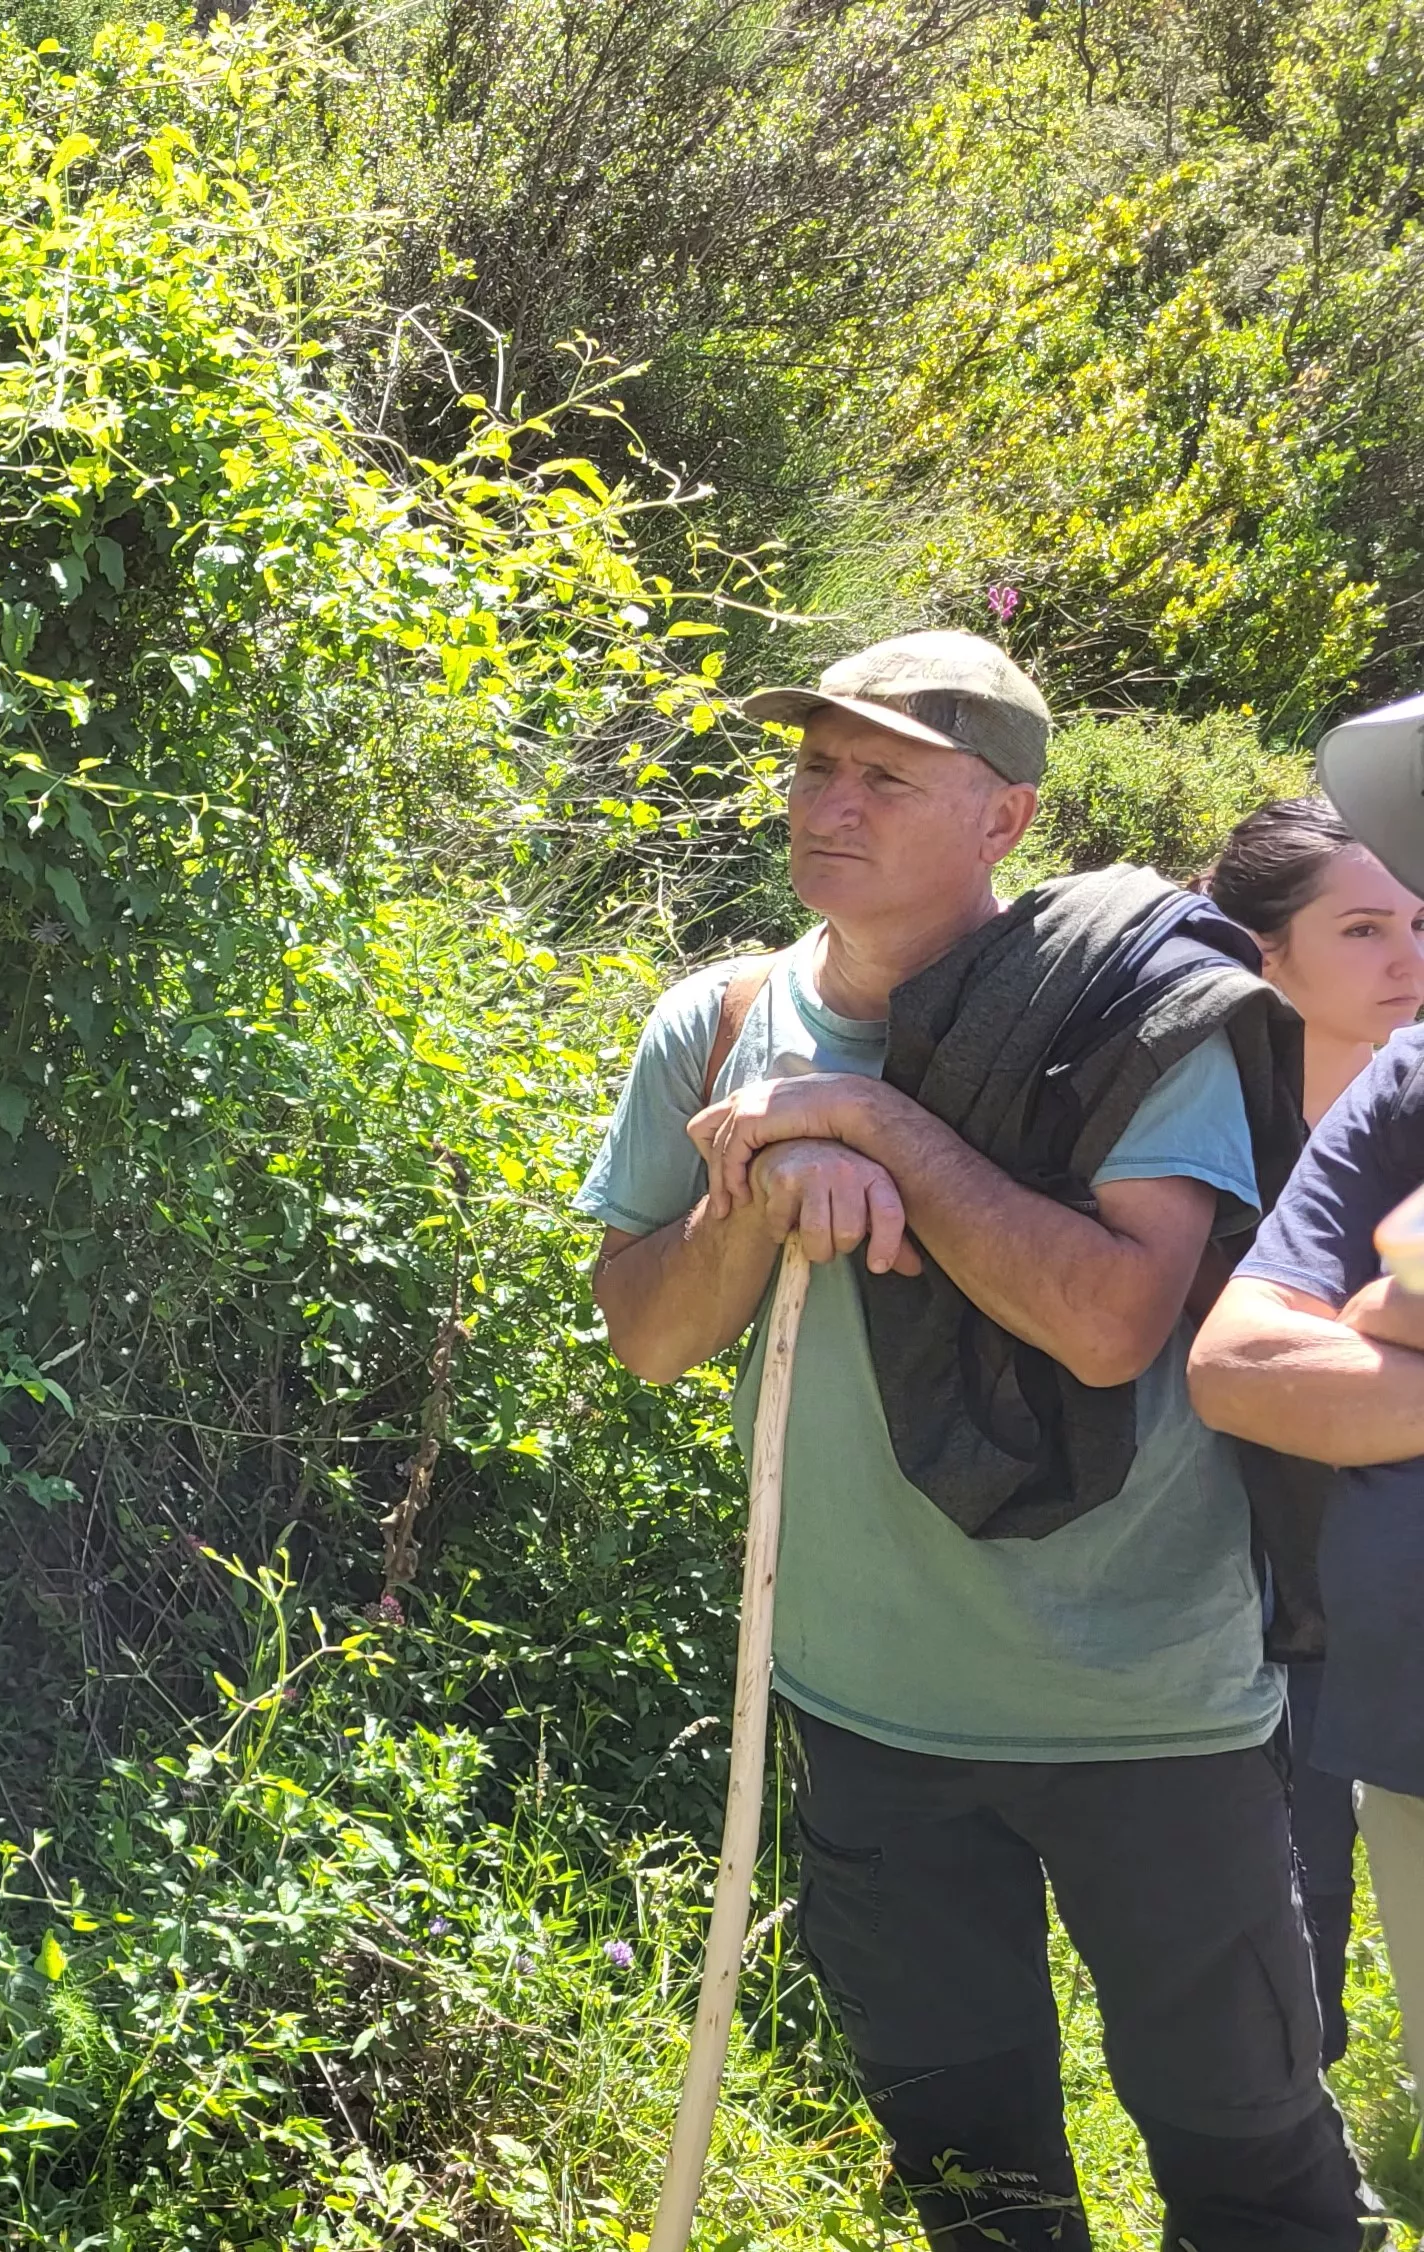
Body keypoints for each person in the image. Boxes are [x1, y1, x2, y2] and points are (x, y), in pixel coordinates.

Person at [578, 629, 1367, 2250]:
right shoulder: (720, 1023)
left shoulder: (1136, 1014)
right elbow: (651, 1336)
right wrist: (762, 1194)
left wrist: (874, 1123)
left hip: (1152, 1706)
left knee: (1251, 2159)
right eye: (815, 767)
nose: (830, 805)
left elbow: (1110, 1320)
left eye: (887, 776)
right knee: (973, 2177)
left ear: (1005, 817)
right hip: (869, 1706)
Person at [1195, 695, 1424, 2133]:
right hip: (1288, 1605)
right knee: (1294, 1897)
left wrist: (1383, 1311)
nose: (1408, 959)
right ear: (1265, 958)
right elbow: (1238, 1362)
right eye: (1364, 929)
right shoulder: (1215, 1125)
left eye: (1417, 923)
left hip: (1357, 1588)